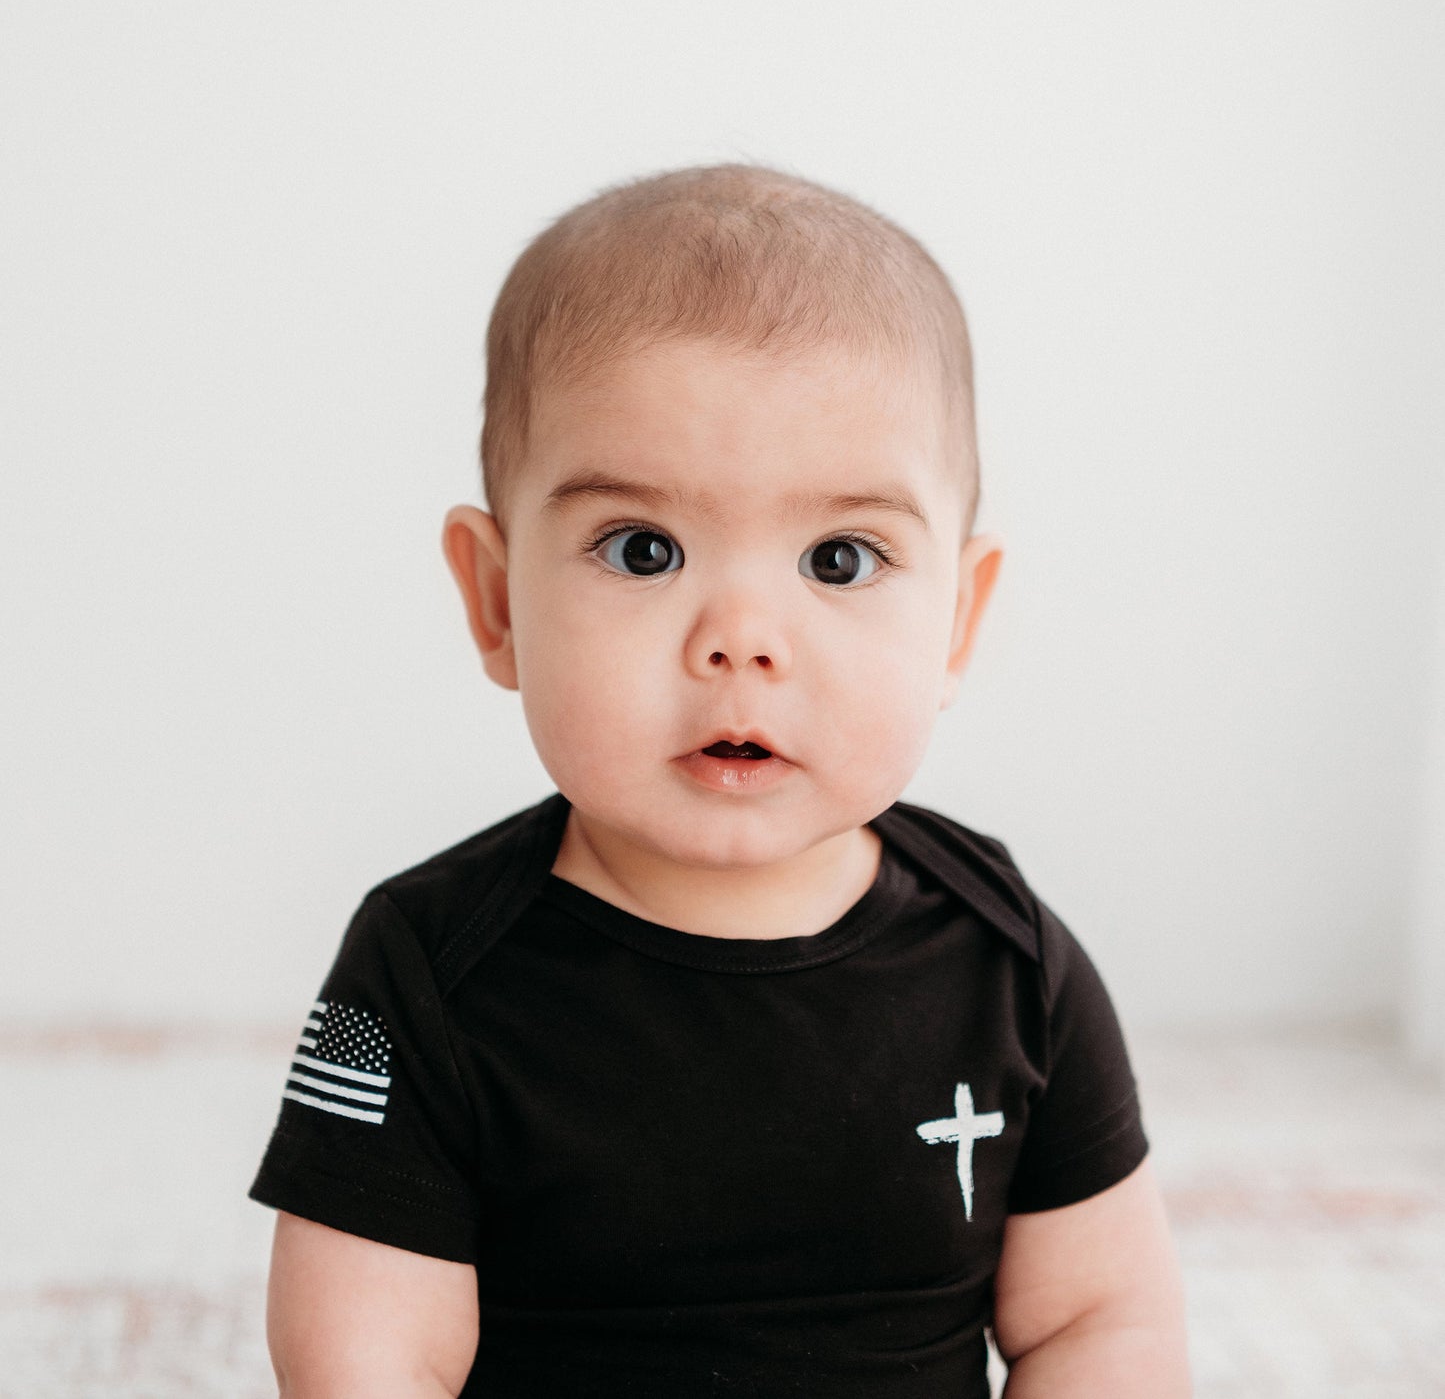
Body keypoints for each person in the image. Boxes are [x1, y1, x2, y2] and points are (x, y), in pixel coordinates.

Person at [250, 163, 1191, 1397]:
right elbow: (362, 1356)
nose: (740, 635)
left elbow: (1098, 1321)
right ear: (495, 602)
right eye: (643, 549)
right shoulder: (425, 972)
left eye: (839, 557)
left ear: (956, 621)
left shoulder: (1004, 961)